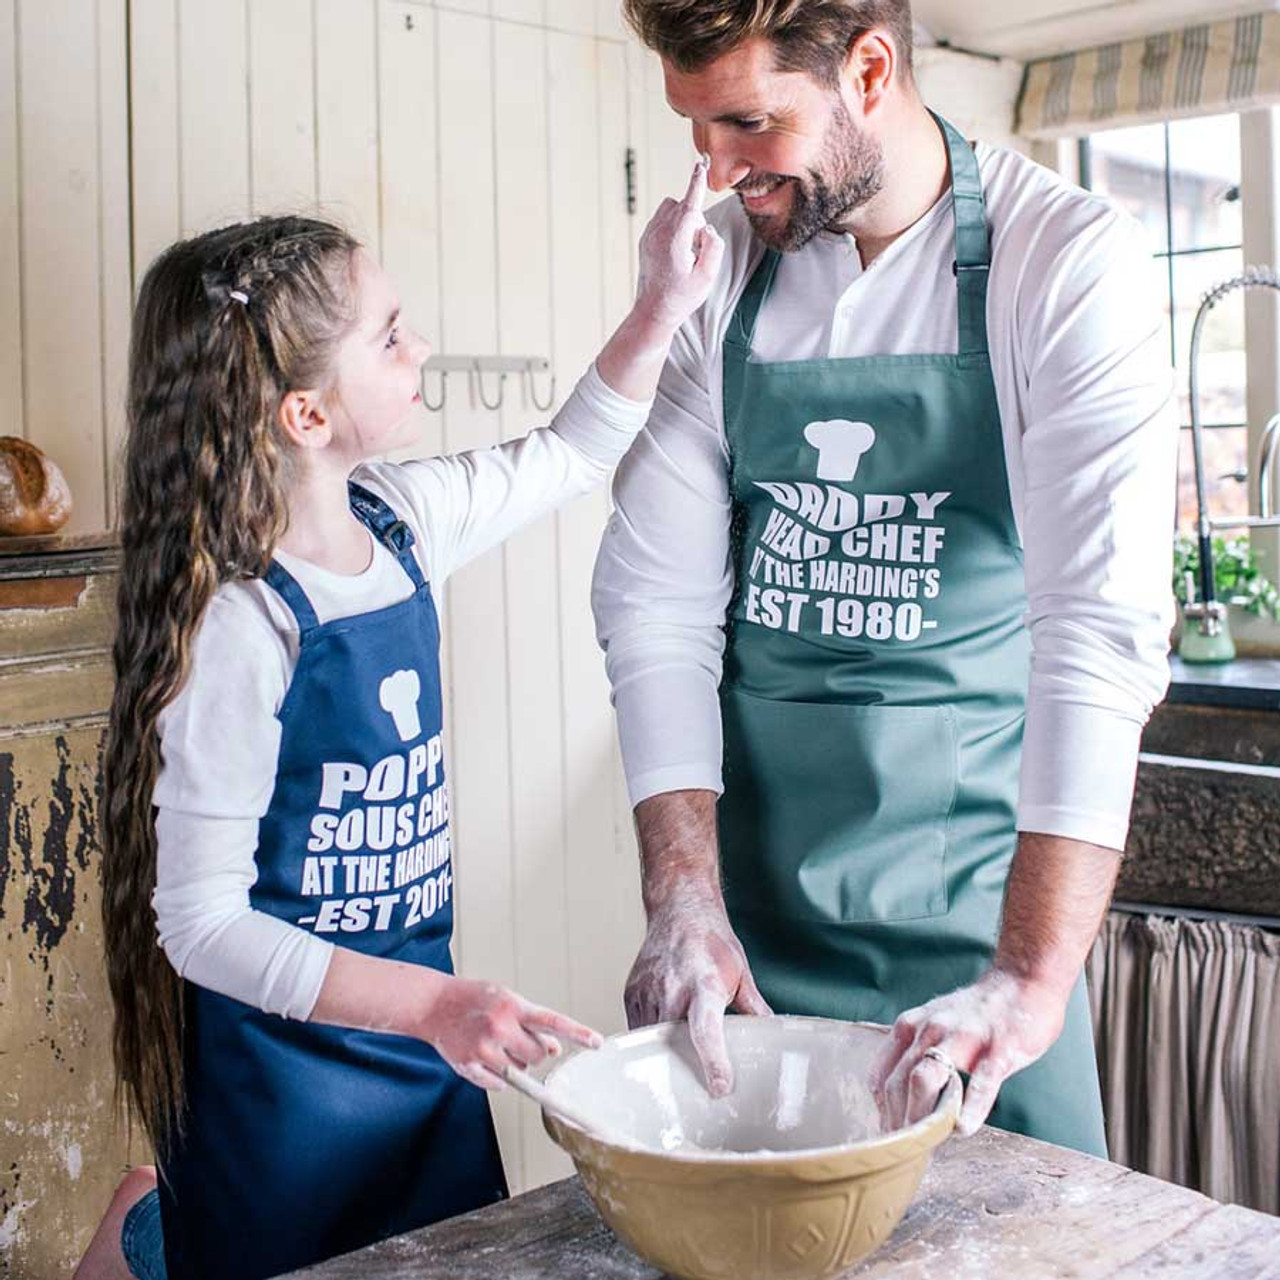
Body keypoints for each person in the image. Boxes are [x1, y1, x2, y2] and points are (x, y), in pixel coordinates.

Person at [76, 163, 723, 1280]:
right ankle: (147, 1227)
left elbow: (569, 453)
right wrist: (436, 1005)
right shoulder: (240, 624)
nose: (419, 349)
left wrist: (660, 301)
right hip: (282, 1083)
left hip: (424, 1053)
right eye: (389, 336)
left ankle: (147, 1221)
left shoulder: (403, 522)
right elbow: (200, 925)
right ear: (307, 413)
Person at [592, 0, 1176, 1155]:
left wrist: (1025, 975)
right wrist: (682, 899)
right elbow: (655, 608)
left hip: (979, 945)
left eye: (747, 123)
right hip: (748, 944)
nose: (715, 170)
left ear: (868, 69)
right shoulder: (715, 272)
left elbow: (1094, 634)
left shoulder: (1058, 259)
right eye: (694, 127)